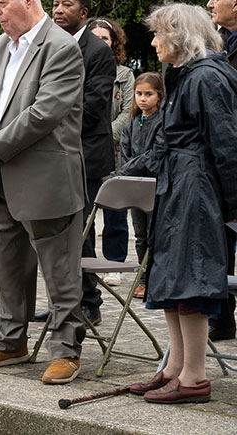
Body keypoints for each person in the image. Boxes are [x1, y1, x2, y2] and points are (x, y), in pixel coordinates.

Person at [0, 0, 86, 385]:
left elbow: (45, 112)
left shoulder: (61, 47)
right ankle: (11, 339)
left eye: (2, 3)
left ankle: (66, 349)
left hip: (46, 178)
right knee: (9, 265)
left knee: (59, 269)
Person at [129, 3, 237, 404]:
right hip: (178, 186)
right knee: (171, 278)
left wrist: (233, 205)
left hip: (197, 189)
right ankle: (174, 367)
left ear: (179, 37)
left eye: (159, 34)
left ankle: (194, 377)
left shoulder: (207, 78)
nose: (154, 42)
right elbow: (166, 141)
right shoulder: (182, 75)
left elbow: (226, 144)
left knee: (190, 278)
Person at [52, 0, 116, 327]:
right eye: (56, 4)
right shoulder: (48, 46)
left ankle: (89, 301)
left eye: (67, 4)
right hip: (52, 155)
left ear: (85, 13)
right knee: (56, 231)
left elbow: (94, 107)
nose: (59, 9)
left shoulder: (97, 52)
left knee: (80, 231)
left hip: (85, 154)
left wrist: (48, 123)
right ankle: (63, 300)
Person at [88, 17, 135, 287]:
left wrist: (103, 137)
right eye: (95, 38)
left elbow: (128, 114)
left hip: (115, 153)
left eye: (105, 38)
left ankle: (114, 264)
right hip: (87, 153)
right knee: (86, 216)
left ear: (113, 43)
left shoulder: (125, 74)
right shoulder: (80, 69)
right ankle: (90, 265)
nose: (100, 44)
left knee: (115, 215)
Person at [205, 0, 237, 342]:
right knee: (219, 242)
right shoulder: (216, 41)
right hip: (220, 159)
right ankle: (222, 318)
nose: (210, 3)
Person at [118, 72, 164, 299]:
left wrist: (128, 168)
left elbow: (155, 155)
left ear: (159, 96)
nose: (143, 98)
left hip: (155, 187)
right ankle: (143, 278)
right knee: (140, 236)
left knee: (154, 233)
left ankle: (157, 279)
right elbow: (125, 156)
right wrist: (128, 169)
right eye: (139, 94)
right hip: (136, 187)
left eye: (149, 94)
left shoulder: (163, 122)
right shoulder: (130, 125)